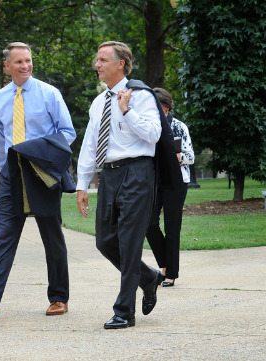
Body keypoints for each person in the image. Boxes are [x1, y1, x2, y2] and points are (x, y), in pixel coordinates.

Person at [0, 42, 76, 319]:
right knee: (4, 238)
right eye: (19, 62)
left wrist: (38, 153)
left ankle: (59, 298)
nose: (25, 65)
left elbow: (67, 132)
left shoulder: (49, 93)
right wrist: (6, 171)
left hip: (41, 173)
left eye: (28, 60)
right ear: (7, 66)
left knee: (52, 237)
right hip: (12, 176)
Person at [76, 41, 165, 329]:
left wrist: (127, 111)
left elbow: (153, 134)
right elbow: (90, 146)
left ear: (120, 64)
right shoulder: (98, 102)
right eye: (97, 59)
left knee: (129, 243)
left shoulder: (140, 95)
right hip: (109, 175)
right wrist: (81, 184)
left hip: (138, 172)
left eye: (102, 59)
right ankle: (148, 278)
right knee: (105, 241)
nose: (97, 64)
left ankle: (124, 311)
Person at [146, 88, 194, 287]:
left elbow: (190, 157)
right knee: (149, 223)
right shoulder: (149, 127)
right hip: (155, 183)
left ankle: (170, 273)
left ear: (165, 108)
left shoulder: (178, 127)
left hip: (176, 183)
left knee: (172, 228)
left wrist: (175, 157)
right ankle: (165, 263)